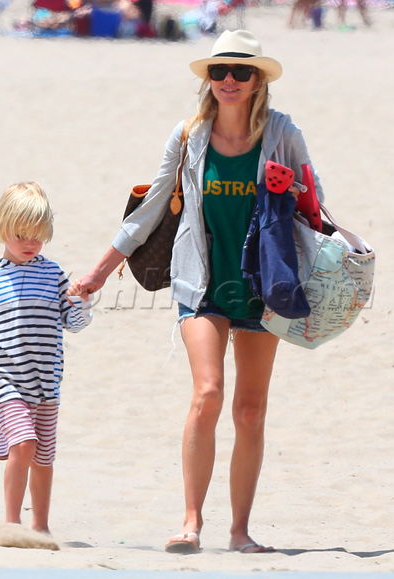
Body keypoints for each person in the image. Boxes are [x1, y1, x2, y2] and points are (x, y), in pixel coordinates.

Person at [70, 29, 324, 553]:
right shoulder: (189, 135)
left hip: (263, 285)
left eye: (241, 71)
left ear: (258, 81)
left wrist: (300, 203)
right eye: (219, 71)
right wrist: (99, 272)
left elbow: (313, 206)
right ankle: (190, 522)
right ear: (208, 79)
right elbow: (150, 209)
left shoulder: (282, 132)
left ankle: (240, 532)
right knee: (207, 393)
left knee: (250, 410)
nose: (229, 80)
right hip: (201, 282)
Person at [0, 182, 92, 534]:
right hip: (5, 378)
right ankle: (11, 524)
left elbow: (74, 323)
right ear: (2, 228)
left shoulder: (53, 274)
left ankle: (41, 527)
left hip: (46, 381)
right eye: (21, 235)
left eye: (38, 235)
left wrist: (81, 300)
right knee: (23, 444)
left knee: (43, 456)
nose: (30, 243)